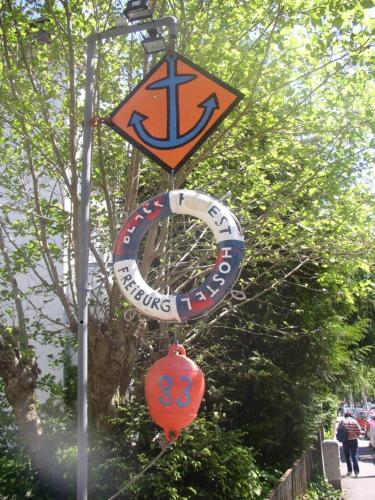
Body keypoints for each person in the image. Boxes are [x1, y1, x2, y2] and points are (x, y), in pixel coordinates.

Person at [342, 410, 361, 477]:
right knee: (354, 456)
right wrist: (356, 436)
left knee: (347, 456)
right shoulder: (354, 421)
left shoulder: (343, 422)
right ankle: (356, 472)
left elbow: (339, 431)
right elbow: (359, 431)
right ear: (351, 415)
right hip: (354, 441)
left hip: (345, 441)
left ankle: (349, 471)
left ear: (345, 416)